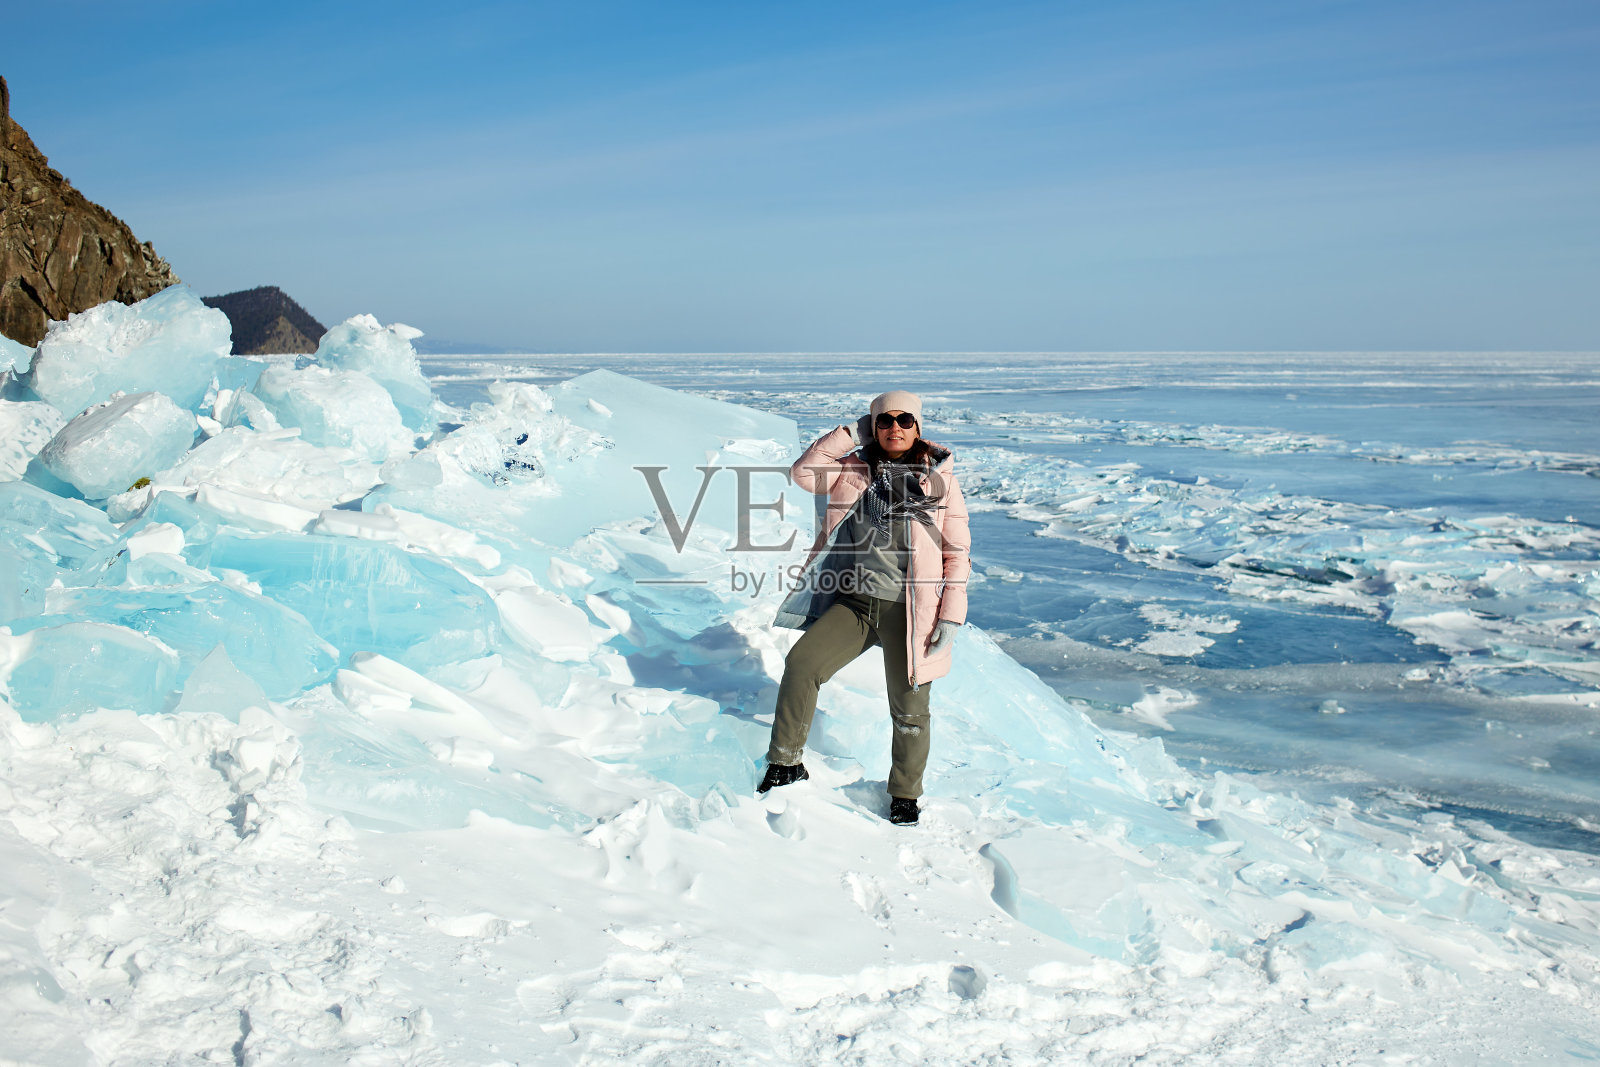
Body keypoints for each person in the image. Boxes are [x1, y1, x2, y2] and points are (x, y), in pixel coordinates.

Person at [759, 390, 971, 825]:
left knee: (910, 708)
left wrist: (951, 614)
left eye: (905, 419)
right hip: (854, 603)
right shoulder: (852, 471)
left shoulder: (939, 482)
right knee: (802, 664)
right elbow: (804, 474)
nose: (896, 427)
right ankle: (785, 763)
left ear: (918, 426)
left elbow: (957, 550)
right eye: (884, 420)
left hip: (910, 611)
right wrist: (853, 431)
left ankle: (904, 794)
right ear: (872, 426)